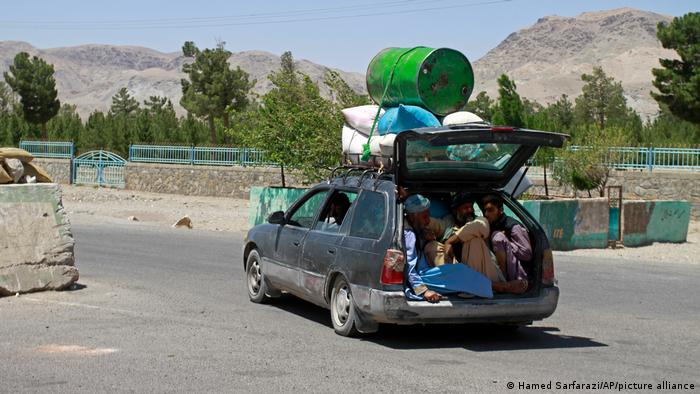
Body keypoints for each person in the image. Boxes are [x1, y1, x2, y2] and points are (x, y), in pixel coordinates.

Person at [403, 194, 492, 303]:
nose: (427, 221)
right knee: (460, 272)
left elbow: (480, 225)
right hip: (422, 278)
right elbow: (409, 266)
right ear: (412, 217)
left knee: (460, 270)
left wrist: (449, 241)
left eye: (471, 207)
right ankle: (498, 287)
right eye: (425, 217)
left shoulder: (479, 220)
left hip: (426, 275)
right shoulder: (409, 234)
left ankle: (490, 286)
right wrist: (423, 291)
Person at [482, 194, 531, 294]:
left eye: (490, 210)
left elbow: (527, 254)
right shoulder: (494, 225)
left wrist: (506, 242)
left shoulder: (513, 227)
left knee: (497, 237)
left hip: (518, 273)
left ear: (500, 210)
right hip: (506, 267)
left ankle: (503, 281)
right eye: (485, 211)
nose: (486, 214)